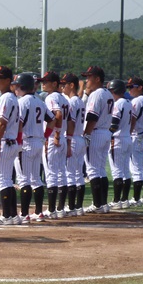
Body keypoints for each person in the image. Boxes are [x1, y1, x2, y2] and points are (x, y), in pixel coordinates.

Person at [0, 66, 22, 225]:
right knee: (7, 179)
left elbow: (2, 124)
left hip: (4, 143)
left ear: (8, 80)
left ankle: (7, 216)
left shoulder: (6, 98)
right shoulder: (12, 98)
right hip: (10, 142)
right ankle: (13, 215)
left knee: (3, 181)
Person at [13, 73, 50, 222]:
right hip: (38, 142)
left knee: (24, 180)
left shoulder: (22, 102)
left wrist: (18, 141)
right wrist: (46, 136)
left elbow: (19, 123)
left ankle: (24, 214)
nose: (15, 88)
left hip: (26, 142)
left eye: (17, 85)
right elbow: (53, 120)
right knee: (36, 179)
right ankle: (39, 212)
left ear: (22, 86)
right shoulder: (40, 101)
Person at [81, 66, 114, 213]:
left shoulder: (96, 94)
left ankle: (97, 204)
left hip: (95, 132)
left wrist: (86, 134)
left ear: (97, 79)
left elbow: (92, 117)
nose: (87, 80)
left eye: (89, 77)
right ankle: (103, 204)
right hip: (105, 132)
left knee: (93, 170)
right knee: (100, 169)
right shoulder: (108, 93)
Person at [41, 71, 71, 217]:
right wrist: (66, 137)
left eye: (46, 81)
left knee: (51, 174)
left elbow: (57, 115)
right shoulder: (64, 98)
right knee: (61, 173)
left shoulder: (51, 97)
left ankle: (52, 210)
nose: (43, 84)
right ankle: (60, 208)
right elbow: (71, 120)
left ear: (54, 84)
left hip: (55, 138)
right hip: (62, 138)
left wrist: (56, 134)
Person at [62, 73, 87, 215]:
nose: (62, 87)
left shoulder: (71, 102)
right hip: (80, 138)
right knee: (78, 174)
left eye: (64, 84)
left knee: (70, 173)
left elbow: (69, 122)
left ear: (71, 85)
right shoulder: (80, 101)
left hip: (72, 138)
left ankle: (72, 207)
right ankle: (78, 206)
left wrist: (68, 141)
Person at [107, 79, 134, 208]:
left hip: (117, 139)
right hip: (127, 137)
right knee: (125, 170)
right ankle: (124, 199)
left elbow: (114, 123)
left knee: (117, 171)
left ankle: (117, 201)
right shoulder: (128, 103)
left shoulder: (118, 104)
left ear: (114, 91)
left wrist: (108, 134)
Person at [127, 76, 143, 205]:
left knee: (136, 167)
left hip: (136, 135)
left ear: (140, 88)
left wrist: (128, 132)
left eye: (132, 87)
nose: (130, 90)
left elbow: (133, 119)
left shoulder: (136, 101)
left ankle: (136, 198)